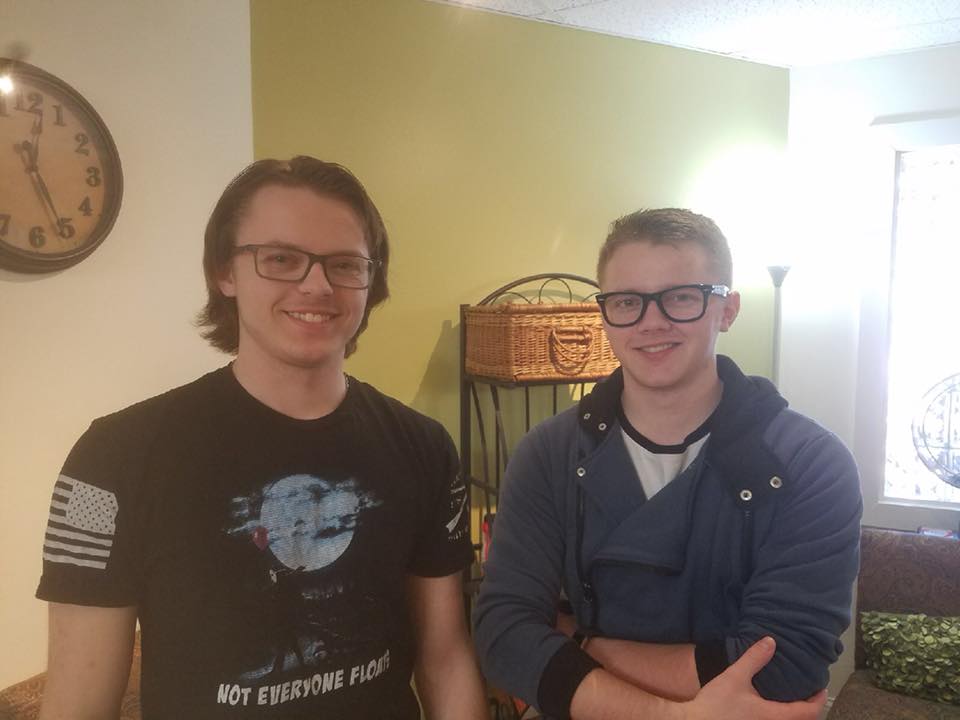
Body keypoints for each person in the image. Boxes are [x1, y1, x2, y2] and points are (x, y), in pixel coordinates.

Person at [36, 156, 487, 719]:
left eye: (345, 264)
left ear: (371, 281)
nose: (317, 284)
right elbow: (78, 705)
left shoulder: (425, 448)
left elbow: (445, 660)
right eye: (280, 259)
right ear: (224, 272)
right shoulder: (112, 460)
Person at [473, 208, 862, 720]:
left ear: (727, 310)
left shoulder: (812, 465)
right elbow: (503, 634)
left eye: (681, 297)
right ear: (605, 315)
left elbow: (784, 663)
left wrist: (579, 642)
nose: (650, 322)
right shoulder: (548, 454)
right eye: (626, 302)